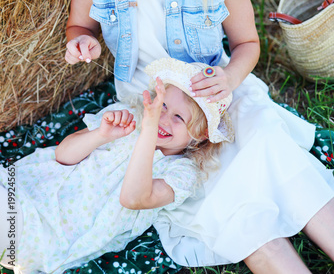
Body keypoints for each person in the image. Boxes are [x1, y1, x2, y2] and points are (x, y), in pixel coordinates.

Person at [64, 0, 334, 273]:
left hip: (218, 88)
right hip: (154, 106)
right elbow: (79, 26)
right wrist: (84, 43)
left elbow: (247, 43)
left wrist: (228, 78)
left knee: (273, 151)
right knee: (227, 203)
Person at [0, 58, 230, 274]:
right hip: (26, 188)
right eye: (163, 106)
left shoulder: (182, 173)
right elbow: (62, 155)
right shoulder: (128, 118)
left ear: (200, 135)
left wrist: (149, 131)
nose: (163, 118)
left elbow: (133, 199)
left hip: (46, 232)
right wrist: (100, 135)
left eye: (179, 117)